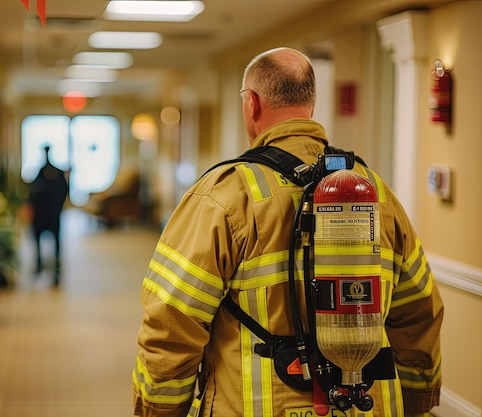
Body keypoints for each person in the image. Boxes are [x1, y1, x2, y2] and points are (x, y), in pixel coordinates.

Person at [132, 47, 443, 417]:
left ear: (252, 104)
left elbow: (172, 322)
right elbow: (420, 312)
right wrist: (418, 403)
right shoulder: (375, 192)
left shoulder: (224, 194)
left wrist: (157, 410)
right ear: (311, 103)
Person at [29, 145, 69, 286]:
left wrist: (58, 207)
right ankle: (40, 262)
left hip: (52, 213)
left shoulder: (56, 172)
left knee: (56, 239)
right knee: (39, 237)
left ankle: (56, 265)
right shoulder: (40, 173)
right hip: (42, 213)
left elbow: (64, 190)